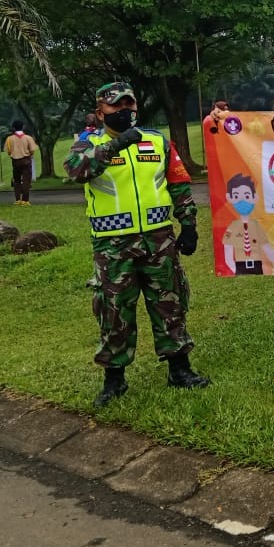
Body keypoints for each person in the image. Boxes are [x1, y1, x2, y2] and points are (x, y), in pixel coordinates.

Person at [64, 81, 210, 407]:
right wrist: (115, 146)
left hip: (159, 239)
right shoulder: (89, 143)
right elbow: (76, 171)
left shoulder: (156, 141)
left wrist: (188, 224)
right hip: (113, 246)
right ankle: (114, 380)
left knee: (170, 304)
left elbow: (178, 183)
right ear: (101, 110)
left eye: (129, 105)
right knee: (114, 312)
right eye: (116, 107)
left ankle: (180, 370)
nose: (124, 111)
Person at [4, 120, 39, 206]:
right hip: (26, 160)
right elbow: (32, 150)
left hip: (15, 161)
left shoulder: (9, 139)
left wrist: (13, 155)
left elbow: (8, 151)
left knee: (17, 180)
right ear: (23, 127)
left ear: (13, 128)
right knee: (26, 180)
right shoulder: (28, 138)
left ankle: (17, 199)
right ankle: (25, 200)